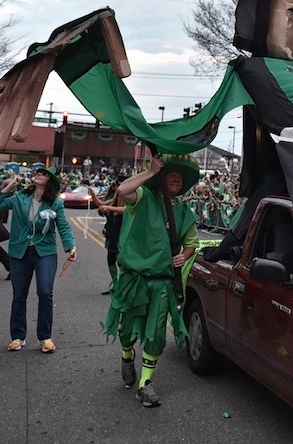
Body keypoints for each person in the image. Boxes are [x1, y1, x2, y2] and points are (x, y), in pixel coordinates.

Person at [103, 154, 200, 408]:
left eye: (180, 178)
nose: (177, 179)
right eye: (171, 175)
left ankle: (145, 384)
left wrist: (183, 256)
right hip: (134, 280)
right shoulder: (144, 197)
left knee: (156, 335)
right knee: (127, 331)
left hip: (162, 283)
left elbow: (192, 243)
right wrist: (150, 170)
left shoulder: (183, 212)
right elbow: (123, 190)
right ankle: (127, 356)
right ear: (160, 177)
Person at [0, 166, 76, 353]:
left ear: (51, 181)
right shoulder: (20, 197)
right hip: (20, 252)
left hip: (44, 252)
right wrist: (9, 186)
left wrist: (71, 246)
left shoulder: (55, 203)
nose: (39, 175)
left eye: (44, 174)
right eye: (38, 172)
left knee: (45, 292)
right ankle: (18, 336)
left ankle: (45, 337)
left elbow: (63, 226)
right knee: (19, 295)